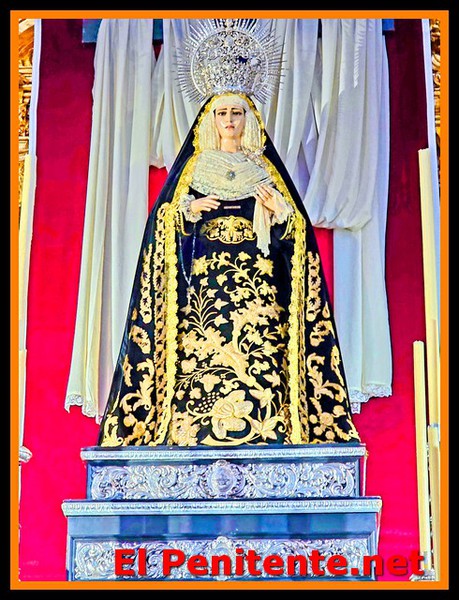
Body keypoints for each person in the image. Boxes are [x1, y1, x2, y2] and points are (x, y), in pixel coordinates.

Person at [97, 91, 360, 447]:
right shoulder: (195, 169)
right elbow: (162, 226)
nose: (230, 120)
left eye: (237, 112)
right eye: (222, 113)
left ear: (248, 119)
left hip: (259, 292)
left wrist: (281, 213)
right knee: (199, 354)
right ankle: (192, 431)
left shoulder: (263, 171)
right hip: (203, 292)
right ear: (211, 120)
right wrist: (188, 210)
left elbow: (295, 235)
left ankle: (268, 429)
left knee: (260, 358)